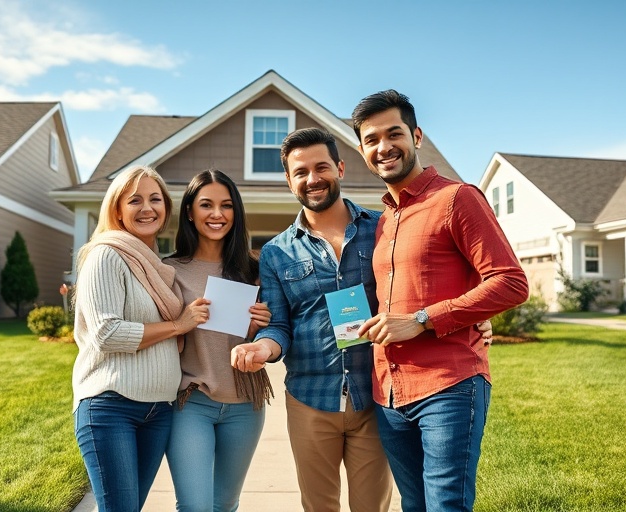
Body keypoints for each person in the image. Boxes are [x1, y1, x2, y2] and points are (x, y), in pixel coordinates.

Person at [352, 90, 529, 512]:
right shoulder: (383, 222)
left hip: (449, 386)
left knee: (446, 504)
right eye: (371, 140)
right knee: (414, 504)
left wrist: (423, 318)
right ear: (361, 151)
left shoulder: (457, 198)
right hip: (389, 393)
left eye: (393, 134)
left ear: (416, 136)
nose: (383, 147)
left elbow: (510, 281)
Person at [231, 127, 394, 512]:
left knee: (373, 506)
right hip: (309, 399)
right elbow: (279, 325)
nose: (312, 178)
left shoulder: (383, 229)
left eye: (322, 167)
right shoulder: (275, 253)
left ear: (339, 168)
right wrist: (263, 347)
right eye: (300, 172)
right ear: (289, 180)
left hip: (374, 394)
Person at [71, 165, 210, 512]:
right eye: (135, 200)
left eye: (155, 199)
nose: (147, 208)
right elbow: (107, 333)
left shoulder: (155, 265)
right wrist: (178, 325)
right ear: (117, 208)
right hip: (110, 405)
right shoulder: (106, 254)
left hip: (158, 409)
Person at [163, 169, 273, 512]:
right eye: (206, 205)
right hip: (192, 402)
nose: (217, 214)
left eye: (226, 206)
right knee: (195, 506)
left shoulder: (254, 269)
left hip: (245, 404)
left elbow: (267, 338)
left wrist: (262, 327)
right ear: (189, 212)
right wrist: (182, 323)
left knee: (224, 505)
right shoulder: (169, 270)